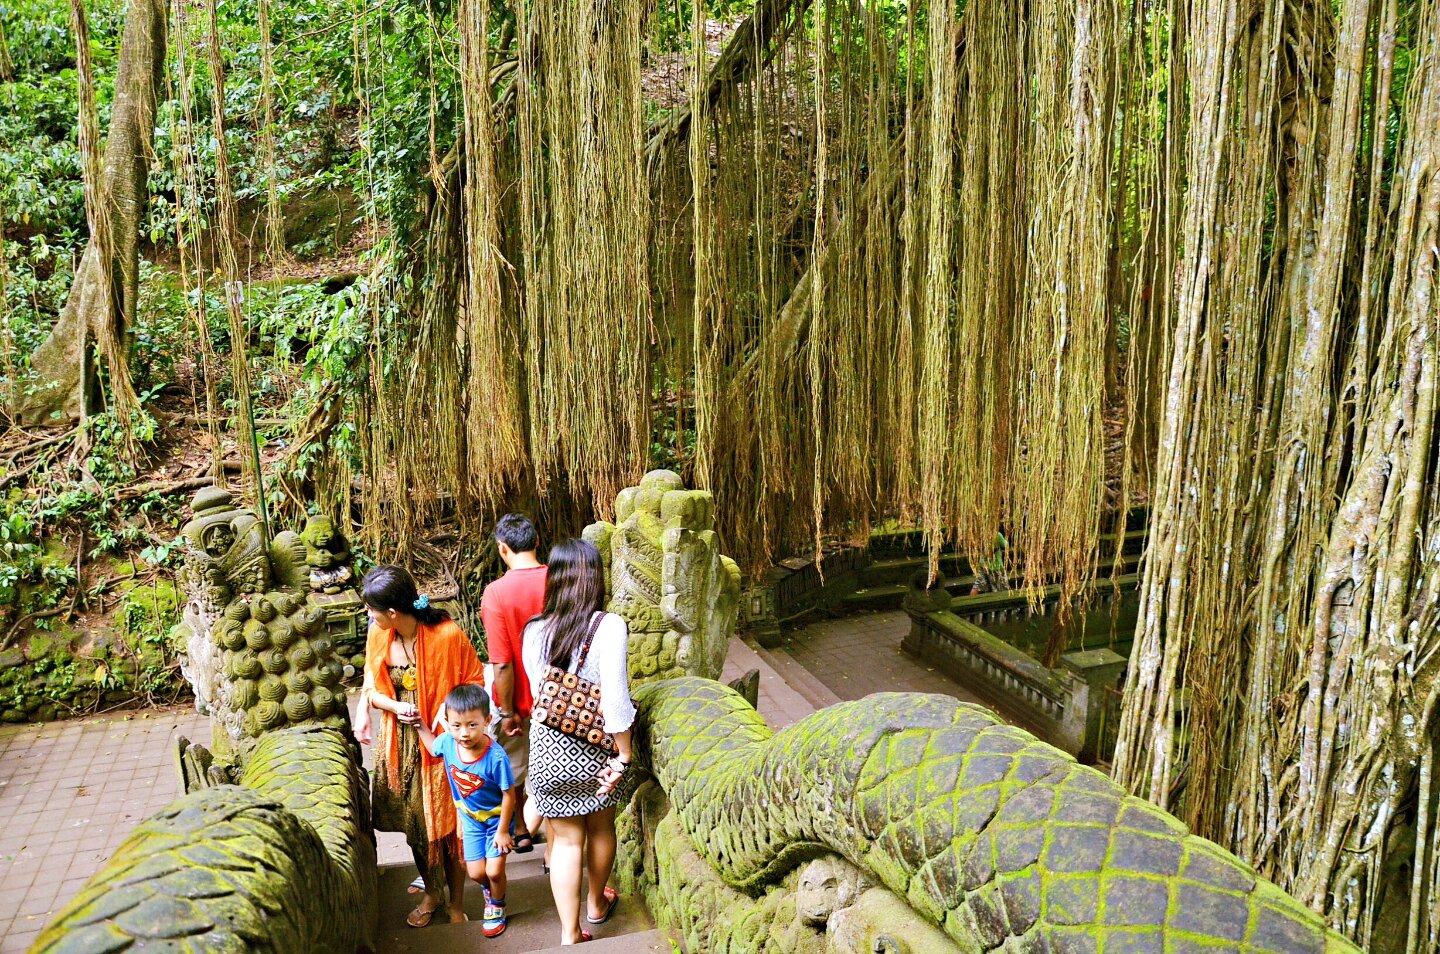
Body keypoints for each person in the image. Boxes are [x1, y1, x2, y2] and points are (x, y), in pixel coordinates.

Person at [354, 565, 484, 928]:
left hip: (442, 743)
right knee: (415, 826)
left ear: (393, 613)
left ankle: (456, 902)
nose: (369, 615)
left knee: (451, 828)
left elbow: (474, 678)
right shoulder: (379, 636)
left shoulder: (446, 634)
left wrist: (447, 709)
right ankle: (431, 891)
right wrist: (388, 707)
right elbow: (370, 682)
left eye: (372, 609)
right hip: (401, 744)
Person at [523, 538, 635, 945]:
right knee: (601, 827)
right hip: (595, 748)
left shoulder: (534, 630)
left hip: (547, 748)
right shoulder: (609, 626)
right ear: (596, 580)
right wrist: (624, 753)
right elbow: (615, 700)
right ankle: (596, 904)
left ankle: (570, 933)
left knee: (567, 840)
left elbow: (542, 693)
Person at [416, 683, 516, 938]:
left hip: (497, 821)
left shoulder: (496, 757)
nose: (464, 733)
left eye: (472, 725)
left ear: (487, 720)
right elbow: (432, 747)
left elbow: (509, 795)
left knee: (494, 871)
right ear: (447, 722)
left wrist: (503, 831)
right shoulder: (448, 743)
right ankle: (490, 890)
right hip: (471, 820)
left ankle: (496, 905)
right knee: (476, 873)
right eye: (456, 725)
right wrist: (419, 726)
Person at [482, 513, 547, 855]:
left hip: (519, 702)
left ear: (502, 549)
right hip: (561, 698)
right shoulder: (560, 580)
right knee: (556, 762)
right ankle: (557, 836)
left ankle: (521, 828)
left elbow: (502, 662)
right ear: (537, 542)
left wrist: (507, 711)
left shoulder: (496, 594)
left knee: (515, 767)